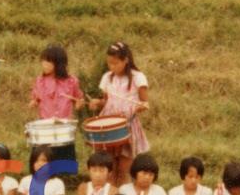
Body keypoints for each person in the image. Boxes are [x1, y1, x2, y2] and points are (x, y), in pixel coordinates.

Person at [89, 41, 149, 184]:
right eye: (110, 63)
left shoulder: (137, 77)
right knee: (109, 167)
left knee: (124, 168)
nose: (112, 67)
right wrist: (97, 102)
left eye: (116, 63)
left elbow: (145, 103)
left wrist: (138, 107)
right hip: (108, 127)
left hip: (126, 126)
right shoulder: (107, 77)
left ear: (126, 60)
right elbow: (107, 101)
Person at [28, 45, 84, 164]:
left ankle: (64, 178)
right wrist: (33, 102)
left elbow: (78, 100)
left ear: (58, 63)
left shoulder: (71, 81)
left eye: (48, 61)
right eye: (43, 61)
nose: (44, 64)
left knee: (63, 158)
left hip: (63, 125)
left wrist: (79, 104)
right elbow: (36, 97)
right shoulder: (40, 81)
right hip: (46, 125)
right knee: (45, 156)